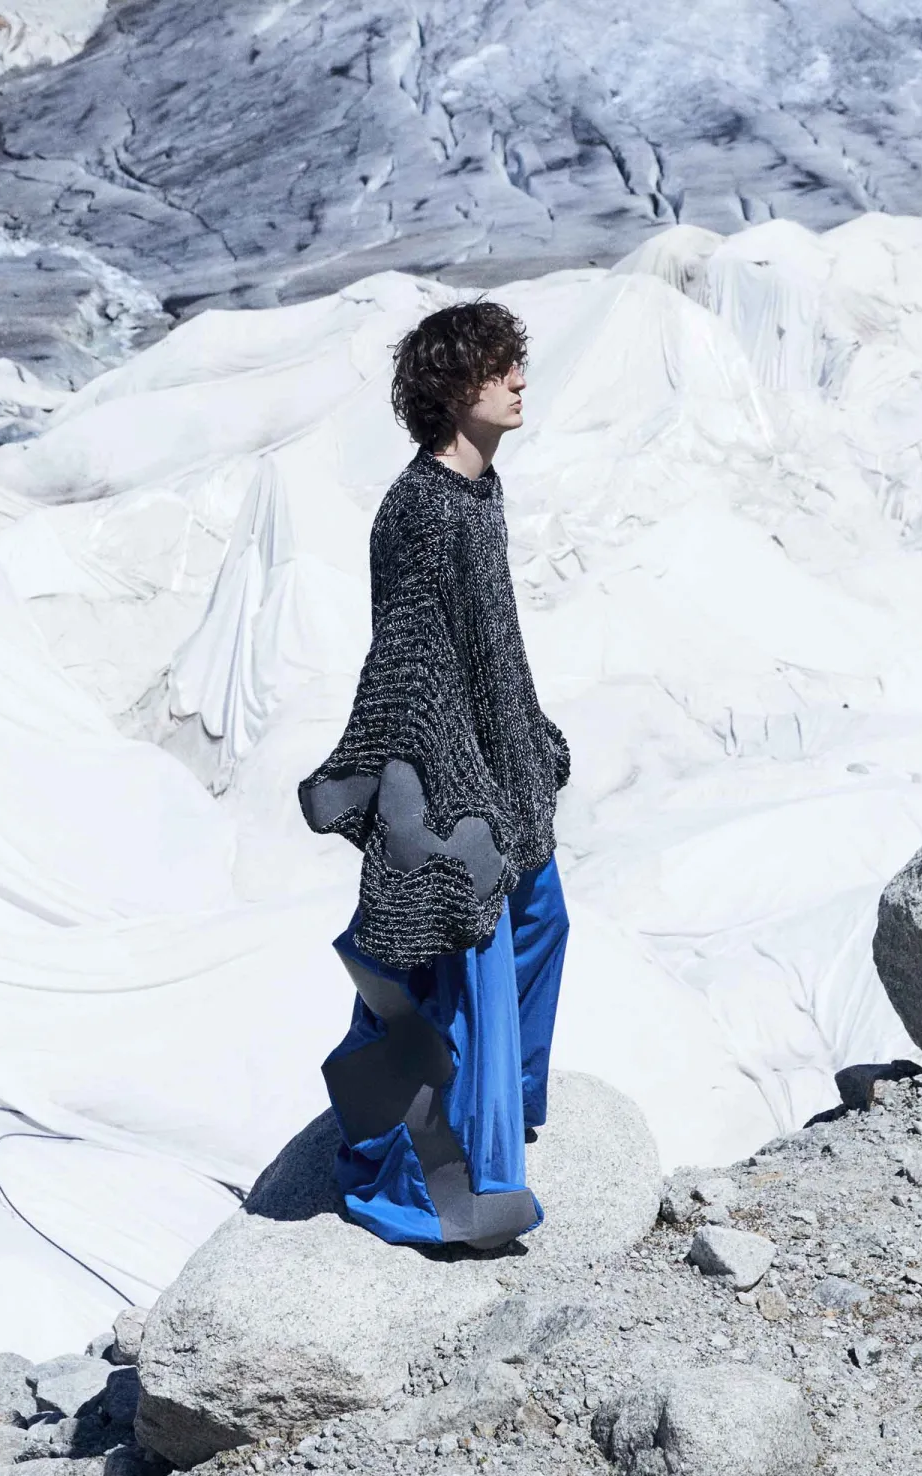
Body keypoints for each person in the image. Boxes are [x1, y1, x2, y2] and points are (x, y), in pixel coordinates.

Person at [297, 299, 570, 1250]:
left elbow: (487, 648)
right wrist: (450, 804)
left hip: (503, 772)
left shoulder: (480, 494)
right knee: (456, 977)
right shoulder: (420, 509)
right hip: (453, 790)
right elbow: (408, 669)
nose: (519, 380)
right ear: (453, 390)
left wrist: (529, 736)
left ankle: (510, 1115)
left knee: (544, 924)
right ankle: (442, 1186)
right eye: (499, 368)